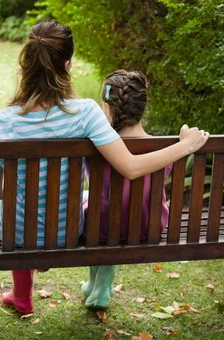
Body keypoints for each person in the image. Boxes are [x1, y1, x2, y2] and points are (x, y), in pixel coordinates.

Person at [0, 21, 209, 314]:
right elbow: (130, 167)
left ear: (26, 62)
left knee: (10, 208)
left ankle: (21, 294)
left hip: (17, 233)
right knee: (67, 204)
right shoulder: (87, 113)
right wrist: (186, 146)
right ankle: (26, 288)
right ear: (67, 65)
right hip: (65, 231)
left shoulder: (0, 121)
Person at [81, 70, 172, 308]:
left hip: (98, 227)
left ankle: (98, 283)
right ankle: (98, 284)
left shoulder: (96, 146)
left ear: (108, 108)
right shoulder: (163, 150)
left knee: (96, 209)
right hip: (147, 225)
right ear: (142, 107)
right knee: (114, 207)